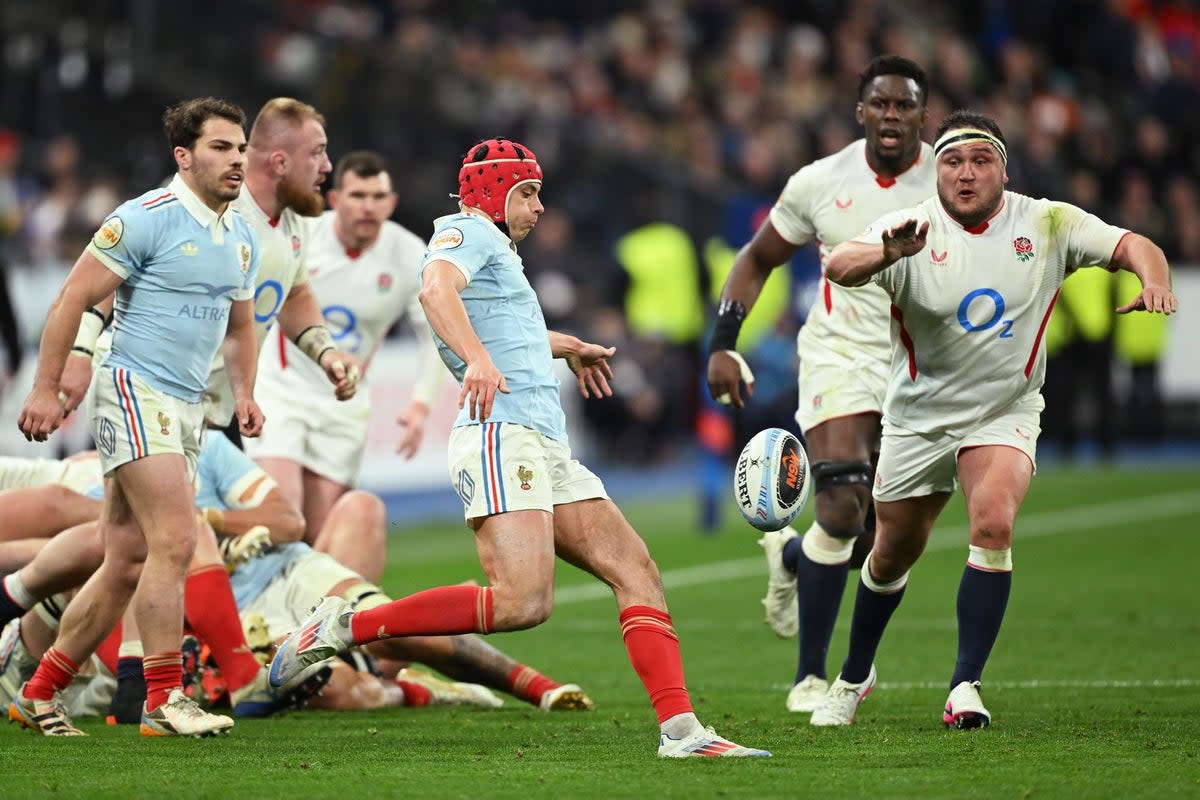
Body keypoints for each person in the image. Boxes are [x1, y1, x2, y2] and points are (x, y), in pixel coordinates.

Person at [270, 137, 769, 758]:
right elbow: (434, 293)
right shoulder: (467, 231)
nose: (538, 207)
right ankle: (347, 624)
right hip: (499, 437)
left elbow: (511, 331)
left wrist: (570, 346)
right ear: (492, 194)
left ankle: (682, 733)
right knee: (522, 601)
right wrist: (477, 359)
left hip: (542, 442)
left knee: (636, 570)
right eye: (527, 193)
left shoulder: (499, 251)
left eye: (537, 193)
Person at [809, 110, 1178, 728]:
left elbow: (1132, 244)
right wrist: (882, 252)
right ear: (936, 171)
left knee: (994, 520)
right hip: (918, 419)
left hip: (1004, 409)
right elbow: (838, 263)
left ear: (1003, 169)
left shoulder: (1047, 221)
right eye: (953, 161)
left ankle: (964, 687)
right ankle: (854, 674)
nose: (966, 172)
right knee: (891, 554)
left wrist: (1156, 280)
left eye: (981, 160)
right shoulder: (911, 229)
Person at [12, 97, 265, 737]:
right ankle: (161, 699)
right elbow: (75, 294)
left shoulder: (239, 235)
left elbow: (240, 327)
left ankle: (38, 691)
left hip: (186, 408)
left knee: (125, 558)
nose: (237, 160)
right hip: (134, 389)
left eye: (241, 148)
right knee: (176, 541)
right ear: (184, 156)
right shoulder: (145, 218)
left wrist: (245, 393)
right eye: (221, 148)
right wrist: (45, 386)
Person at [705, 55, 935, 713]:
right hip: (840, 353)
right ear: (860, 111)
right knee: (839, 503)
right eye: (880, 104)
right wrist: (724, 345)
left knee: (878, 534)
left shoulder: (950, 177)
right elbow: (757, 259)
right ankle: (809, 677)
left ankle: (794, 563)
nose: (892, 116)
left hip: (921, 364)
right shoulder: (819, 182)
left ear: (924, 114)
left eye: (905, 105)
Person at [57, 97, 361, 442]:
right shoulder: (207, 205)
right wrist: (80, 351)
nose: (327, 166)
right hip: (147, 402)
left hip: (216, 410)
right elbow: (108, 281)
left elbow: (292, 293)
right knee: (90, 493)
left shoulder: (295, 219)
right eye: (317, 152)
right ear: (279, 162)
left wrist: (326, 352)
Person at [244, 150, 446, 572]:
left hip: (343, 405)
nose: (368, 206)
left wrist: (421, 403)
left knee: (321, 535)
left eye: (378, 196)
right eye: (357, 194)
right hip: (280, 389)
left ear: (392, 204)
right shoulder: (303, 235)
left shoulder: (411, 255)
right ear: (335, 199)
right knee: (284, 515)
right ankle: (261, 619)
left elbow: (436, 335)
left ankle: (306, 625)